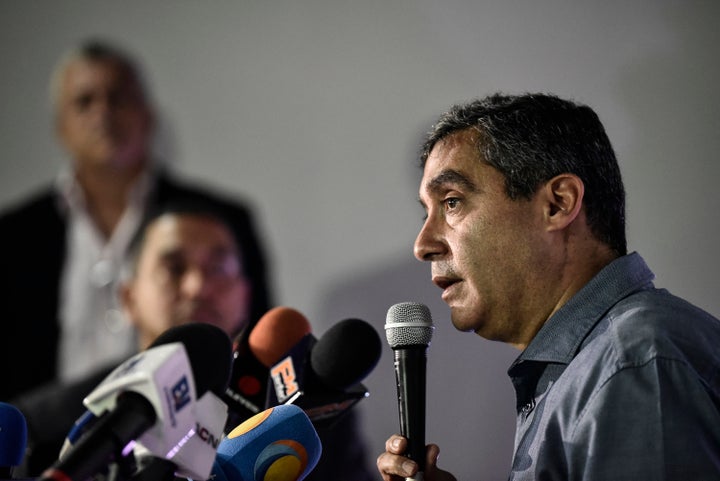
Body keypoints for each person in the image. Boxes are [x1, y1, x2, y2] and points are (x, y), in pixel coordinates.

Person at [376, 93, 720, 480]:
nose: (422, 245)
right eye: (428, 212)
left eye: (452, 202)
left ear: (558, 204)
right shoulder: (598, 362)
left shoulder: (633, 361)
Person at [13, 202, 375, 481]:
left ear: (244, 296)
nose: (198, 287)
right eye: (174, 268)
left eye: (218, 269)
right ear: (129, 299)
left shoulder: (309, 428)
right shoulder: (43, 426)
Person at [0, 38, 272, 402]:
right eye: (85, 101)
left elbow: (260, 342)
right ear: (61, 126)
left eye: (119, 98)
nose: (104, 113)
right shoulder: (14, 235)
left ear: (148, 115)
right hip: (45, 440)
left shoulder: (220, 221)